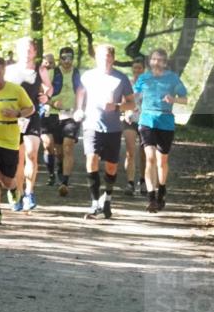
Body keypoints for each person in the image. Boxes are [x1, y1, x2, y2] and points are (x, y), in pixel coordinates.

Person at [74, 43, 135, 220]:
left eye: (108, 57)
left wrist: (117, 106)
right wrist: (79, 108)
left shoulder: (121, 78)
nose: (105, 60)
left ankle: (107, 199)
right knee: (91, 159)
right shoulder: (88, 76)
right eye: (102, 57)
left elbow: (131, 103)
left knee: (111, 165)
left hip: (113, 128)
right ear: (96, 58)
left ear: (113, 58)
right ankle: (94, 203)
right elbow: (80, 91)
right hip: (91, 124)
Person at [134, 47, 189, 213]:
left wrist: (173, 99)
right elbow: (133, 97)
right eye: (154, 59)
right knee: (149, 158)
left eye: (160, 60)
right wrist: (133, 108)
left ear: (165, 63)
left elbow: (185, 99)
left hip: (165, 122)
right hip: (146, 121)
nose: (156, 62)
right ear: (150, 61)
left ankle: (162, 190)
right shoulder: (143, 78)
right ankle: (151, 198)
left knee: (162, 161)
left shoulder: (173, 79)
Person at [0, 56, 35, 225]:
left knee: (6, 180)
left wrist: (17, 114)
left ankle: (13, 189)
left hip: (11, 139)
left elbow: (30, 108)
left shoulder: (16, 90)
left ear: (4, 72)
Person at [4, 37, 44, 211]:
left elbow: (48, 88)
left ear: (34, 52)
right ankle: (18, 193)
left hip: (31, 115)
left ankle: (30, 192)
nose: (27, 53)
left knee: (31, 153)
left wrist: (46, 96)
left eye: (30, 50)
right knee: (17, 159)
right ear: (18, 50)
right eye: (23, 49)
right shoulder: (9, 70)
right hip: (14, 117)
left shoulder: (40, 70)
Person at [46, 46, 83, 197]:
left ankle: (65, 182)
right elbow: (42, 95)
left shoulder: (78, 74)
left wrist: (81, 108)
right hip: (54, 114)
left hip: (72, 115)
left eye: (69, 57)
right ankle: (59, 166)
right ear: (59, 59)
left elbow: (83, 92)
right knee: (58, 150)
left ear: (73, 59)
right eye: (64, 58)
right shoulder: (51, 73)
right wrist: (52, 103)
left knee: (68, 147)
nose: (67, 61)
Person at [121, 55, 146, 195]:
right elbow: (122, 100)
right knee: (130, 151)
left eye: (140, 68)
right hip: (130, 120)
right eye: (135, 68)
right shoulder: (127, 83)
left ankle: (142, 181)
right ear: (132, 69)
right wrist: (125, 111)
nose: (137, 70)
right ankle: (130, 183)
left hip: (145, 121)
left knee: (143, 154)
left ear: (144, 69)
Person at [38, 53, 59, 186]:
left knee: (59, 149)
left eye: (51, 63)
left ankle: (61, 170)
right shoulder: (37, 76)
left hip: (57, 114)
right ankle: (51, 174)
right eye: (46, 62)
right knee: (48, 144)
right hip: (42, 114)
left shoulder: (59, 75)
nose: (49, 65)